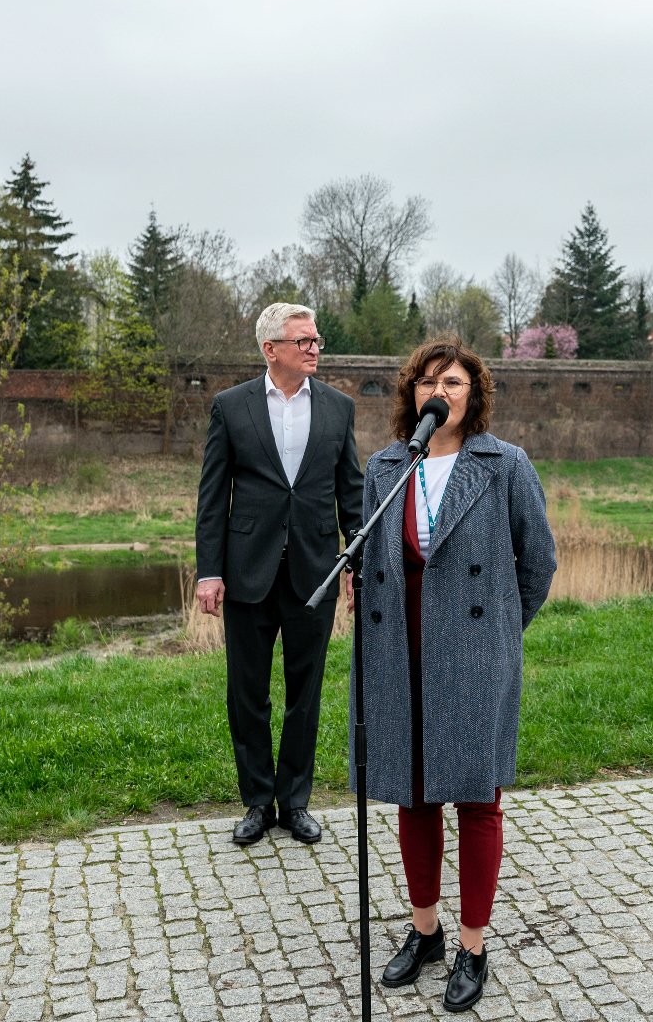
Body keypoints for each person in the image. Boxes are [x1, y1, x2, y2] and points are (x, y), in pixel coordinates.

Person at [354, 338, 557, 1014]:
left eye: (452, 381)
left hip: (472, 655)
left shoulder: (504, 466)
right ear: (410, 396)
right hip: (397, 654)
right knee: (413, 798)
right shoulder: (386, 467)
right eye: (424, 381)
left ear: (474, 395)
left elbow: (539, 563)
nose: (436, 390)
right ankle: (425, 933)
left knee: (475, 801)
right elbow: (369, 566)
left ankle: (472, 947)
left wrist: (497, 633)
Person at [195, 303, 363, 848]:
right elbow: (212, 496)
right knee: (247, 694)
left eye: (317, 340)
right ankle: (256, 801)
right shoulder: (231, 407)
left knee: (305, 693)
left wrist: (357, 565)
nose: (314, 349)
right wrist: (209, 572)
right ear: (271, 349)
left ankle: (294, 802)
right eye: (303, 341)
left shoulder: (339, 408)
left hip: (313, 573)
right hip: (246, 574)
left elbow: (351, 493)